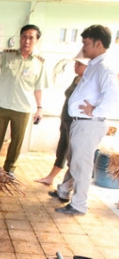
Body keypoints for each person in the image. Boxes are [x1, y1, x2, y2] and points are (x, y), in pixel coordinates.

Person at [50, 25, 119, 215]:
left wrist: (96, 111)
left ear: (98, 43)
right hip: (81, 122)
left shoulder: (105, 67)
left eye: (86, 43)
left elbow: (113, 94)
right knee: (75, 160)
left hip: (89, 123)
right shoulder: (95, 65)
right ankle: (64, 191)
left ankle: (79, 204)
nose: (83, 47)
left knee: (82, 164)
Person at [0, 24, 48, 177]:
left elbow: (38, 88)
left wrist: (40, 108)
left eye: (31, 38)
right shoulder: (7, 55)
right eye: (24, 37)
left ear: (37, 40)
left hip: (22, 109)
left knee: (16, 141)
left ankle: (10, 168)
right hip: (2, 105)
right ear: (20, 38)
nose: (26, 41)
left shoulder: (39, 64)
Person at [34, 52, 89, 185]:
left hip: (76, 122)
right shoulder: (76, 79)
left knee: (72, 155)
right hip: (66, 119)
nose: (75, 66)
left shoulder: (88, 82)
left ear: (88, 66)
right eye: (76, 63)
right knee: (62, 149)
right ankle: (51, 178)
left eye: (79, 64)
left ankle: (66, 187)